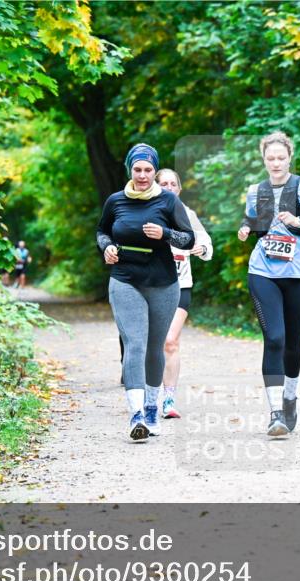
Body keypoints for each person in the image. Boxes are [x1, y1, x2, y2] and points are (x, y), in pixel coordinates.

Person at [238, 131, 300, 436]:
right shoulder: (257, 190)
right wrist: (245, 228)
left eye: (281, 157)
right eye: (271, 158)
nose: (276, 162)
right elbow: (253, 222)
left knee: (293, 341)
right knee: (275, 338)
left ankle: (290, 396)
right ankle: (276, 412)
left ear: (289, 157)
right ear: (263, 159)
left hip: (297, 274)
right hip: (262, 271)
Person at [97, 143, 196, 440]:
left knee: (155, 347)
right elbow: (102, 231)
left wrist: (164, 234)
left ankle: (153, 408)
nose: (142, 175)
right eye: (137, 170)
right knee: (135, 345)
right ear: (130, 170)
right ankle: (136, 414)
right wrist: (108, 247)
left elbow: (188, 239)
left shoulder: (168, 201)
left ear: (155, 171)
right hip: (125, 278)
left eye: (148, 170)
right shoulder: (115, 201)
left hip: (163, 282)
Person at [154, 168, 213, 419]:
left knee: (170, 341)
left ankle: (168, 399)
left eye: (173, 184)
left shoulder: (187, 214)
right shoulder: (148, 211)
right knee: (151, 344)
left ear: (179, 189)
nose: (168, 187)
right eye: (163, 183)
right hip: (152, 286)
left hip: (181, 286)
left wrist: (201, 248)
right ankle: (146, 396)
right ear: (156, 187)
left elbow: (207, 246)